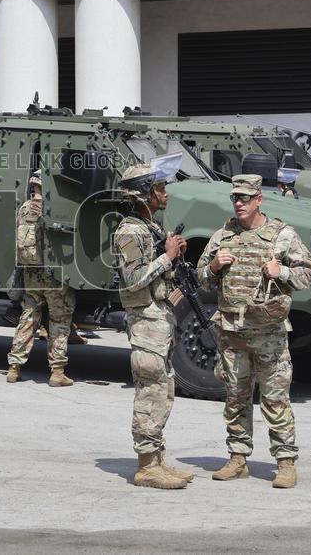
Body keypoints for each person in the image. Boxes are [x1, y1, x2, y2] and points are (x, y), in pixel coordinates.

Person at [197, 174, 311, 489]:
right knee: (235, 398)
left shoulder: (281, 236)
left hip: (268, 334)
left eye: (245, 198)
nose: (239, 203)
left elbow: (310, 274)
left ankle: (286, 462)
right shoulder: (223, 236)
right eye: (235, 197)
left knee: (275, 399)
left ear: (259, 199)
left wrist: (284, 271)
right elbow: (200, 279)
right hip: (231, 333)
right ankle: (238, 459)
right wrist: (212, 267)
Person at [112, 157, 194, 489]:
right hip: (145, 323)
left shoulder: (151, 228)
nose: (165, 194)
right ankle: (146, 466)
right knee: (150, 392)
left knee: (164, 391)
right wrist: (167, 257)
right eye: (159, 188)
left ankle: (157, 459)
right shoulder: (129, 232)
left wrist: (172, 257)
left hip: (159, 320)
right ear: (145, 194)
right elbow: (132, 281)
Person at [6, 171, 75, 387]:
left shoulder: (25, 208)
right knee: (59, 321)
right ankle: (57, 372)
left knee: (28, 318)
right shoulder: (54, 209)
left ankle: (14, 367)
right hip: (54, 276)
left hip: (31, 274)